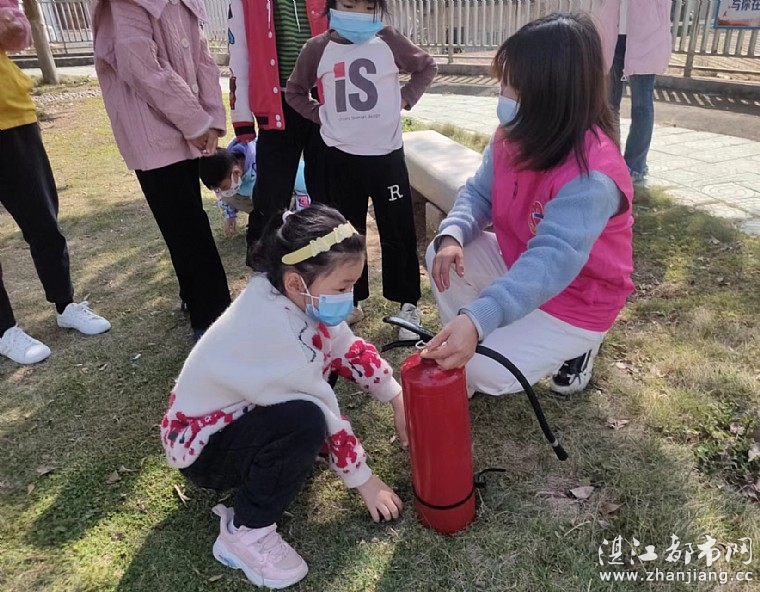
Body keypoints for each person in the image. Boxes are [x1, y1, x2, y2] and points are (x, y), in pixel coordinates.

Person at [160, 203, 406, 588]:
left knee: (314, 390)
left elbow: (345, 347)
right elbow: (324, 411)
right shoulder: (277, 333)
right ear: (295, 282)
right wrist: (366, 481)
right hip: (204, 450)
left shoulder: (287, 295)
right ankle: (245, 533)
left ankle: (274, 461)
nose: (349, 296)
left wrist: (396, 397)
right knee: (306, 420)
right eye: (342, 288)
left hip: (229, 418)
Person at [421, 13, 634, 397]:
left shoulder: (593, 176)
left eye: (514, 89)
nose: (503, 96)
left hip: (579, 298)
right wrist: (453, 232)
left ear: (553, 96)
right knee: (442, 252)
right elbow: (479, 192)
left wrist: (482, 316)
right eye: (504, 84)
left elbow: (550, 262)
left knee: (485, 370)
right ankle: (469, 338)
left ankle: (580, 345)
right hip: (521, 263)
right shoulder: (514, 134)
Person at [285, 0, 437, 338]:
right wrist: (320, 115)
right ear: (332, 6)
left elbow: (427, 66)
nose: (358, 14)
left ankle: (407, 304)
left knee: (397, 230)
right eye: (349, 5)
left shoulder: (388, 39)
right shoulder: (317, 48)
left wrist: (404, 98)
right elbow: (294, 91)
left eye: (368, 6)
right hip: (340, 157)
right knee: (345, 234)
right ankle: (349, 299)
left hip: (385, 155)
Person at [92, 0, 232, 341]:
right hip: (150, 129)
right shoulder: (123, 5)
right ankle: (214, 319)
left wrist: (210, 118)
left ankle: (196, 299)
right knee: (185, 226)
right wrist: (195, 121)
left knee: (188, 220)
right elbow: (140, 66)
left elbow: (203, 57)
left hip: (188, 124)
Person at [0, 0, 110, 365]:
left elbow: (20, 36)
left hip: (12, 115)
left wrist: (11, 24)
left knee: (43, 221)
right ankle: (3, 329)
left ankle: (65, 305)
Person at [228, 0, 331, 258]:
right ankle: (263, 265)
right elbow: (238, 51)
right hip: (276, 108)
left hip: (326, 102)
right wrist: (242, 119)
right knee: (270, 195)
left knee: (328, 190)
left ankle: (330, 258)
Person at [592, 0, 672, 187]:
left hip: (647, 36)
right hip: (612, 34)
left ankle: (636, 166)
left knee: (642, 105)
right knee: (608, 106)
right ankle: (609, 160)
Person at [199, 139, 311, 236]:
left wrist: (300, 219)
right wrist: (230, 215)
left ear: (236, 172)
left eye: (224, 186)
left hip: (294, 193)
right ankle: (266, 218)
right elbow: (224, 194)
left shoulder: (266, 161)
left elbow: (304, 186)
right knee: (228, 196)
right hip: (260, 196)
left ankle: (280, 216)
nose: (222, 191)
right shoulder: (227, 167)